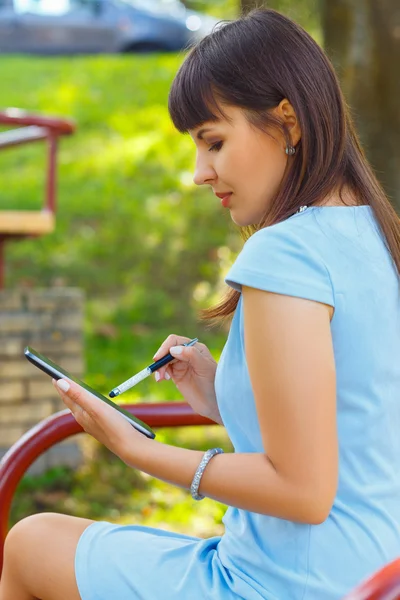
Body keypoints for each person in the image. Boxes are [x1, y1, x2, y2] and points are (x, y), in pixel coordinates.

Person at [1, 7, 400, 600]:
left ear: (288, 121)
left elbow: (302, 492)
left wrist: (137, 449)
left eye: (213, 142)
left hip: (286, 584)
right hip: (370, 572)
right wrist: (222, 396)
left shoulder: (285, 255)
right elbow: (351, 428)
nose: (197, 173)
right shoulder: (372, 233)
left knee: (31, 544)